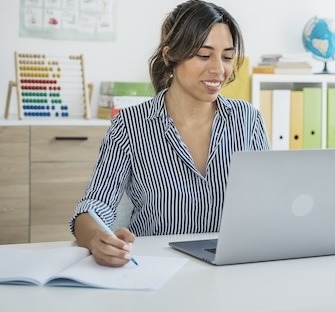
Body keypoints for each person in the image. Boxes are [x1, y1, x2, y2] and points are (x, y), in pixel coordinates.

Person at [69, 0, 270, 267]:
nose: (218, 69)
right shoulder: (129, 127)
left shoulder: (247, 120)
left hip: (233, 271)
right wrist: (97, 239)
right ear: (169, 55)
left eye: (227, 57)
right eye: (203, 54)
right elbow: (92, 207)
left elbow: (270, 203)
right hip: (156, 272)